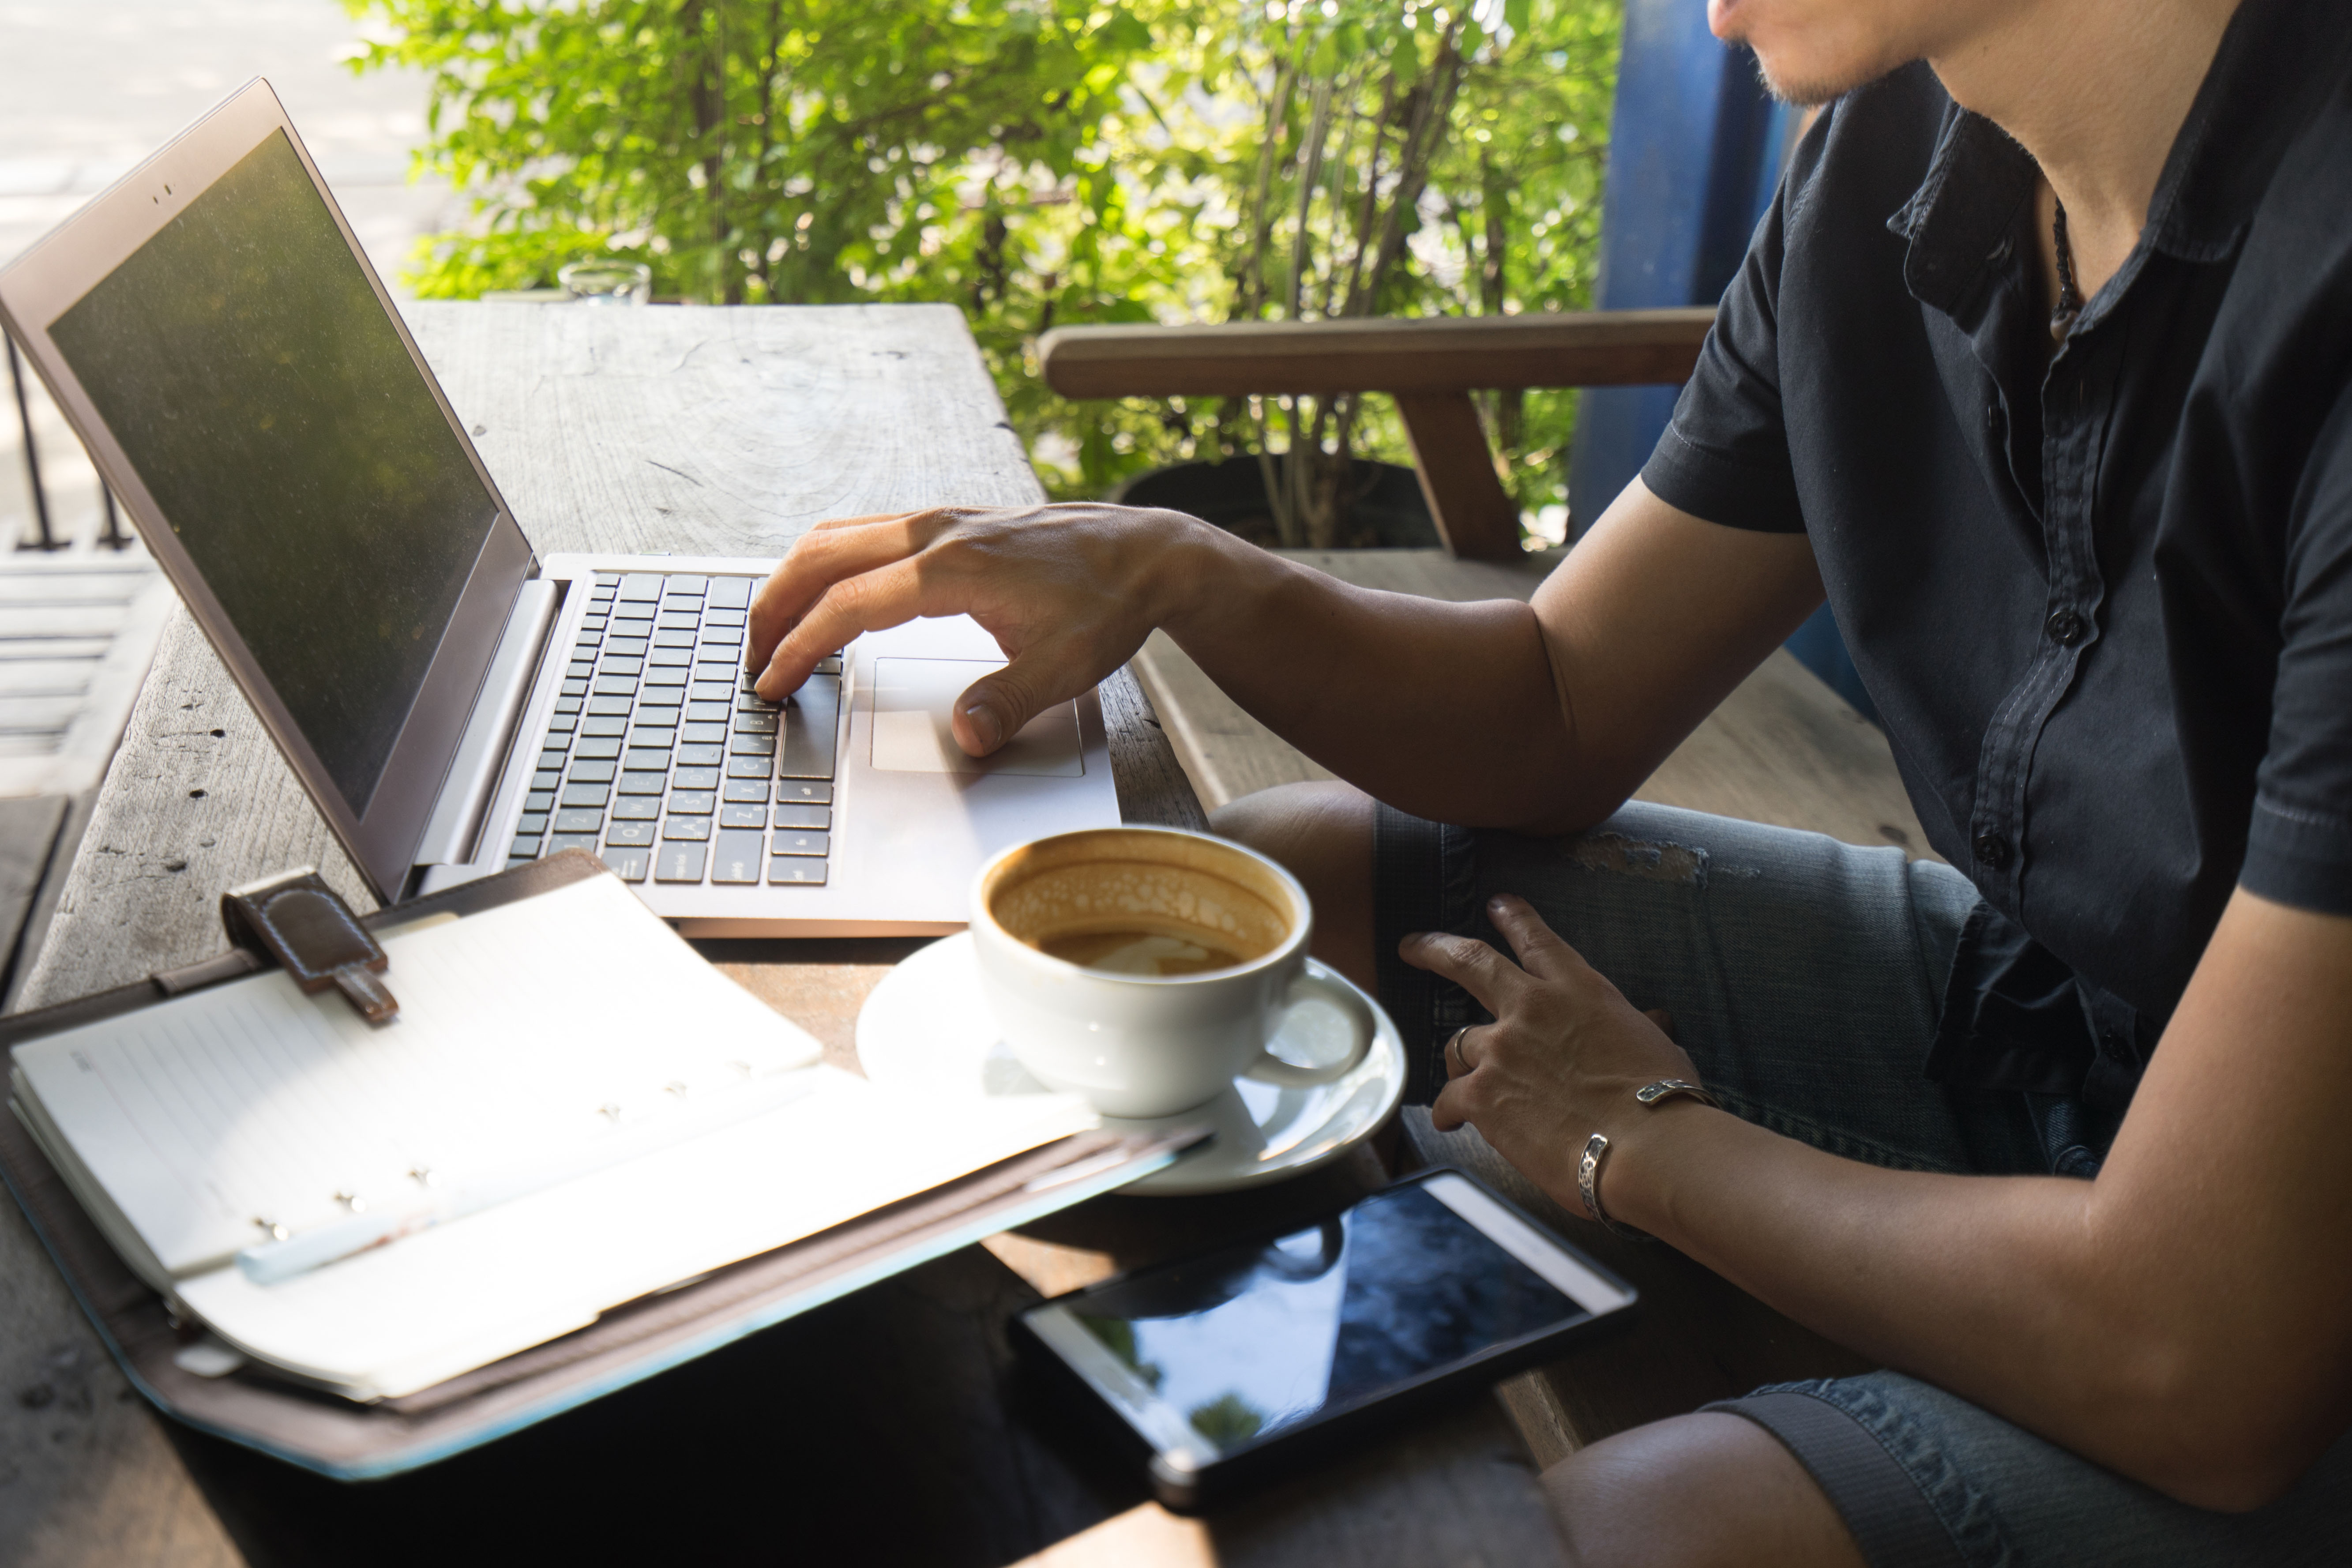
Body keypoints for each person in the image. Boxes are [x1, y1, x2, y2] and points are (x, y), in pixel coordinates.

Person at [742, 0, 2352, 1560]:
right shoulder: (1892, 152)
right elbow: (1561, 701)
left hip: (2266, 1318)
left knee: (1583, 1530)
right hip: (2063, 1016)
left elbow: (2197, 1353)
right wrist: (1180, 570)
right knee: (1308, 885)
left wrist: (1647, 1146)